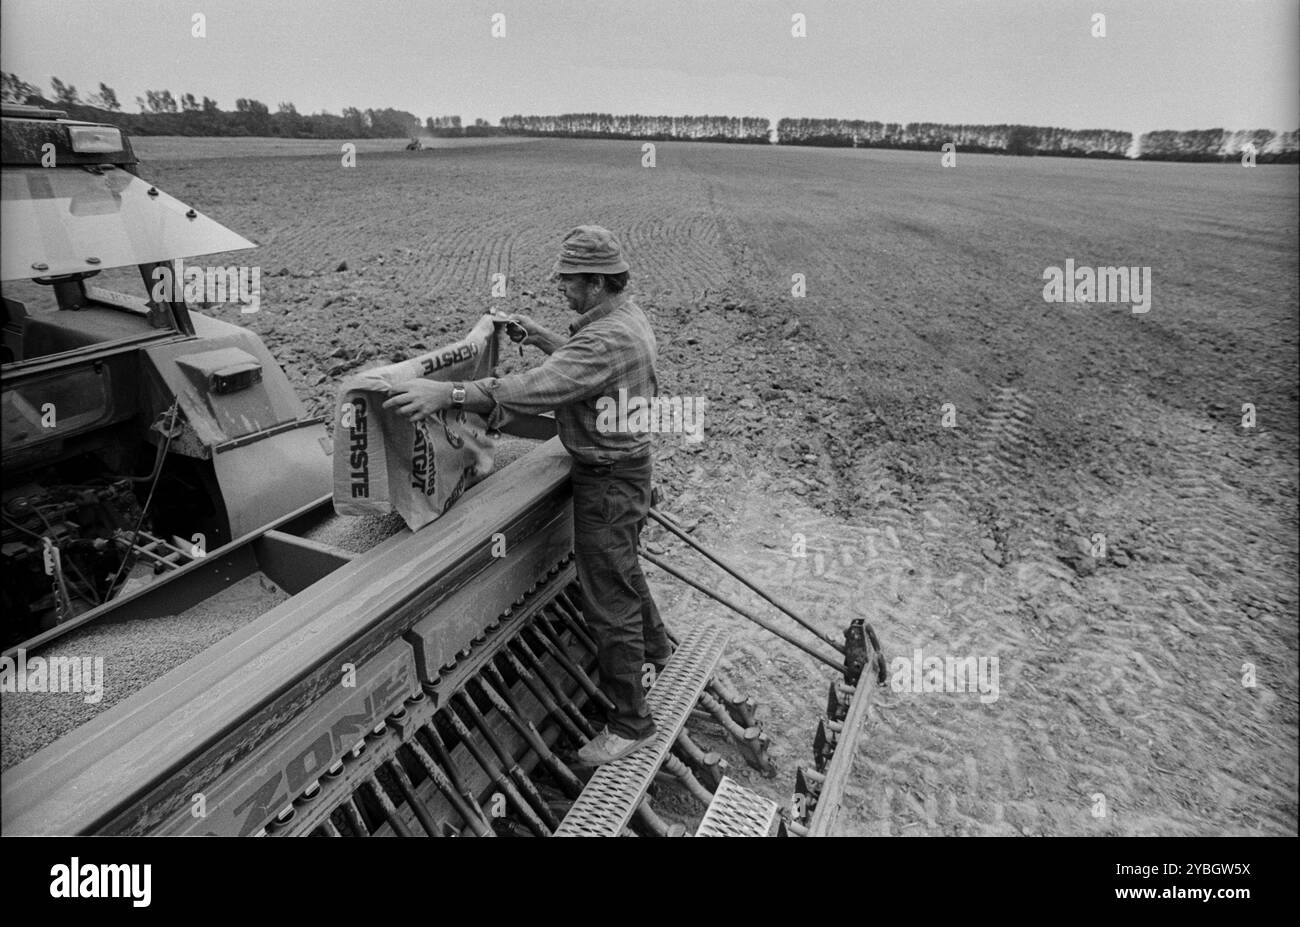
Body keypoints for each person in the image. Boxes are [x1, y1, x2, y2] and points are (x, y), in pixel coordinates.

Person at [384, 225, 671, 765]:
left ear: (596, 282)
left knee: (607, 597)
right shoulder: (624, 319)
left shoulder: (604, 340)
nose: (561, 288)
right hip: (629, 470)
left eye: (568, 281)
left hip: (606, 483)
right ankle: (656, 651)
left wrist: (447, 392)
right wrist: (540, 336)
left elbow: (538, 390)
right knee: (624, 570)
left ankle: (631, 724)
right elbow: (582, 365)